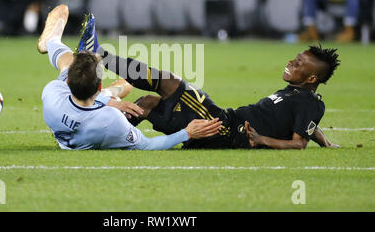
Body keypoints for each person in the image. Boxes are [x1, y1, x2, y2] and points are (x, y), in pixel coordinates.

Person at [77, 10, 340, 150]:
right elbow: (304, 125)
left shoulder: (309, 101)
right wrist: (325, 140)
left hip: (225, 129)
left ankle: (98, 55)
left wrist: (261, 140)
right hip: (224, 124)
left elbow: (298, 143)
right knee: (148, 103)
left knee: (169, 82)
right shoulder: (298, 96)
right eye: (294, 58)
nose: (291, 63)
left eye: (298, 64)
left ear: (312, 78)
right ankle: (89, 133)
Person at [37, 5, 222, 150]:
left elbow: (76, 86)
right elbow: (148, 145)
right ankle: (72, 49)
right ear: (99, 87)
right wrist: (187, 133)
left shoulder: (52, 93)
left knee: (71, 65)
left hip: (68, 130)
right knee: (124, 89)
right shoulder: (110, 120)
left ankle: (52, 42)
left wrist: (107, 101)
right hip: (95, 123)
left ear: (68, 83)